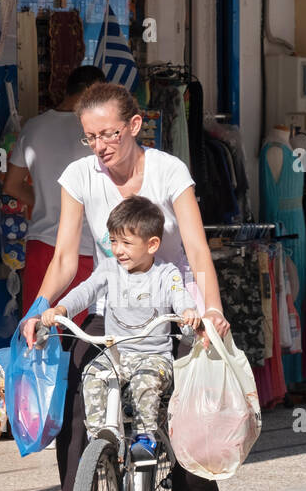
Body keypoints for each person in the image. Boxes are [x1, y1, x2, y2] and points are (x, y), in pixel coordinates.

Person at [24, 81, 230, 491]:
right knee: (77, 389)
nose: (99, 147)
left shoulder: (169, 171)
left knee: (188, 384)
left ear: (135, 126)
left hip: (174, 299)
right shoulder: (79, 175)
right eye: (90, 136)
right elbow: (64, 261)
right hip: (113, 300)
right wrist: (41, 310)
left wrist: (211, 310)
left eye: (108, 134)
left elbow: (198, 251)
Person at [41, 196, 200, 460]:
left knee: (144, 385)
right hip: (116, 354)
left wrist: (188, 312)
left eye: (126, 243)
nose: (118, 250)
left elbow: (179, 295)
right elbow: (86, 291)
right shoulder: (109, 270)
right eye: (113, 241)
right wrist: (61, 309)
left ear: (152, 245)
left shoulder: (166, 273)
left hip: (153, 358)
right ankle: (100, 439)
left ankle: (145, 439)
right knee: (92, 375)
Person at [2, 65, 107, 313]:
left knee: (38, 332)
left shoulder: (33, 127)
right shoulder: (95, 133)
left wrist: (45, 203)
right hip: (83, 248)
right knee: (80, 341)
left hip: (41, 244)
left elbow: (12, 185)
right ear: (92, 92)